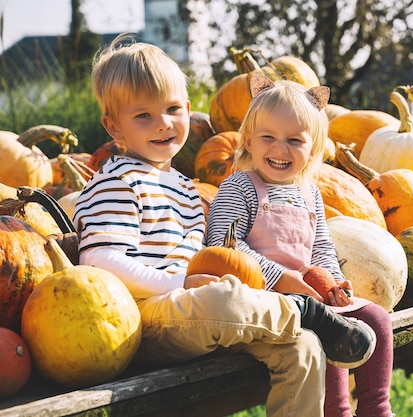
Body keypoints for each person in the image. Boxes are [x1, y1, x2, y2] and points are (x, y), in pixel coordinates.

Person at [72, 33, 377, 417]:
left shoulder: (184, 187)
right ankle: (303, 310)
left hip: (200, 313)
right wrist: (180, 283)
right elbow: (101, 261)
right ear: (114, 127)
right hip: (143, 319)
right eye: (143, 115)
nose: (163, 124)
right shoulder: (118, 181)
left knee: (304, 348)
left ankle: (299, 321)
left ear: (187, 108)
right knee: (226, 297)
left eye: (171, 109)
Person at [207, 72, 395, 417]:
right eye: (268, 137)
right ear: (248, 141)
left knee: (376, 318)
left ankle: (376, 408)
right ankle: (336, 411)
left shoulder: (309, 193)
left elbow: (320, 245)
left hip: (309, 293)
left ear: (313, 148)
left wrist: (333, 281)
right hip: (263, 301)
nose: (280, 149)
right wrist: (280, 277)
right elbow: (224, 247)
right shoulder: (239, 188)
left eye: (295, 140)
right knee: (326, 332)